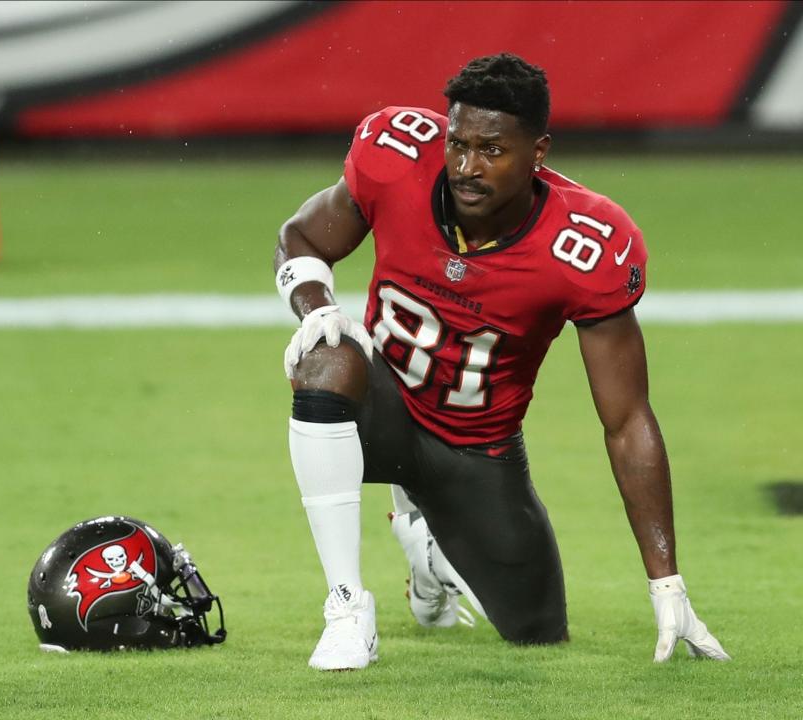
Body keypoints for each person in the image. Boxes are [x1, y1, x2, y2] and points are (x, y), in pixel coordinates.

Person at [273, 53, 729, 671]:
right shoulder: (398, 159)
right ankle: (349, 608)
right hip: (382, 410)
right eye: (457, 143)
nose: (466, 166)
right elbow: (300, 236)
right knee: (326, 357)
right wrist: (314, 306)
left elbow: (626, 420)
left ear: (538, 151)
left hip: (476, 449)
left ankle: (429, 546)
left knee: (537, 632)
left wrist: (666, 582)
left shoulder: (582, 244)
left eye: (492, 150)